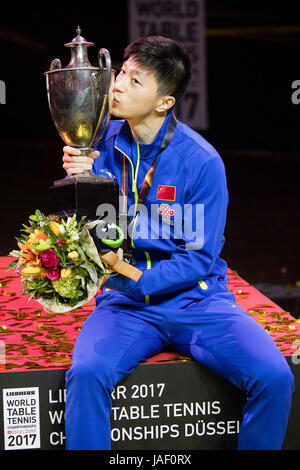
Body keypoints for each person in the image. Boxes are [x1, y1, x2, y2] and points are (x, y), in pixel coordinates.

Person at [62, 36, 294, 450]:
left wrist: (128, 271)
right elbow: (81, 225)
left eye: (134, 81)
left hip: (197, 302)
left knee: (275, 379)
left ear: (164, 102)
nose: (116, 86)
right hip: (126, 306)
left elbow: (199, 259)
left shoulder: (202, 161)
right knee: (87, 373)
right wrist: (76, 178)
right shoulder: (100, 141)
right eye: (120, 74)